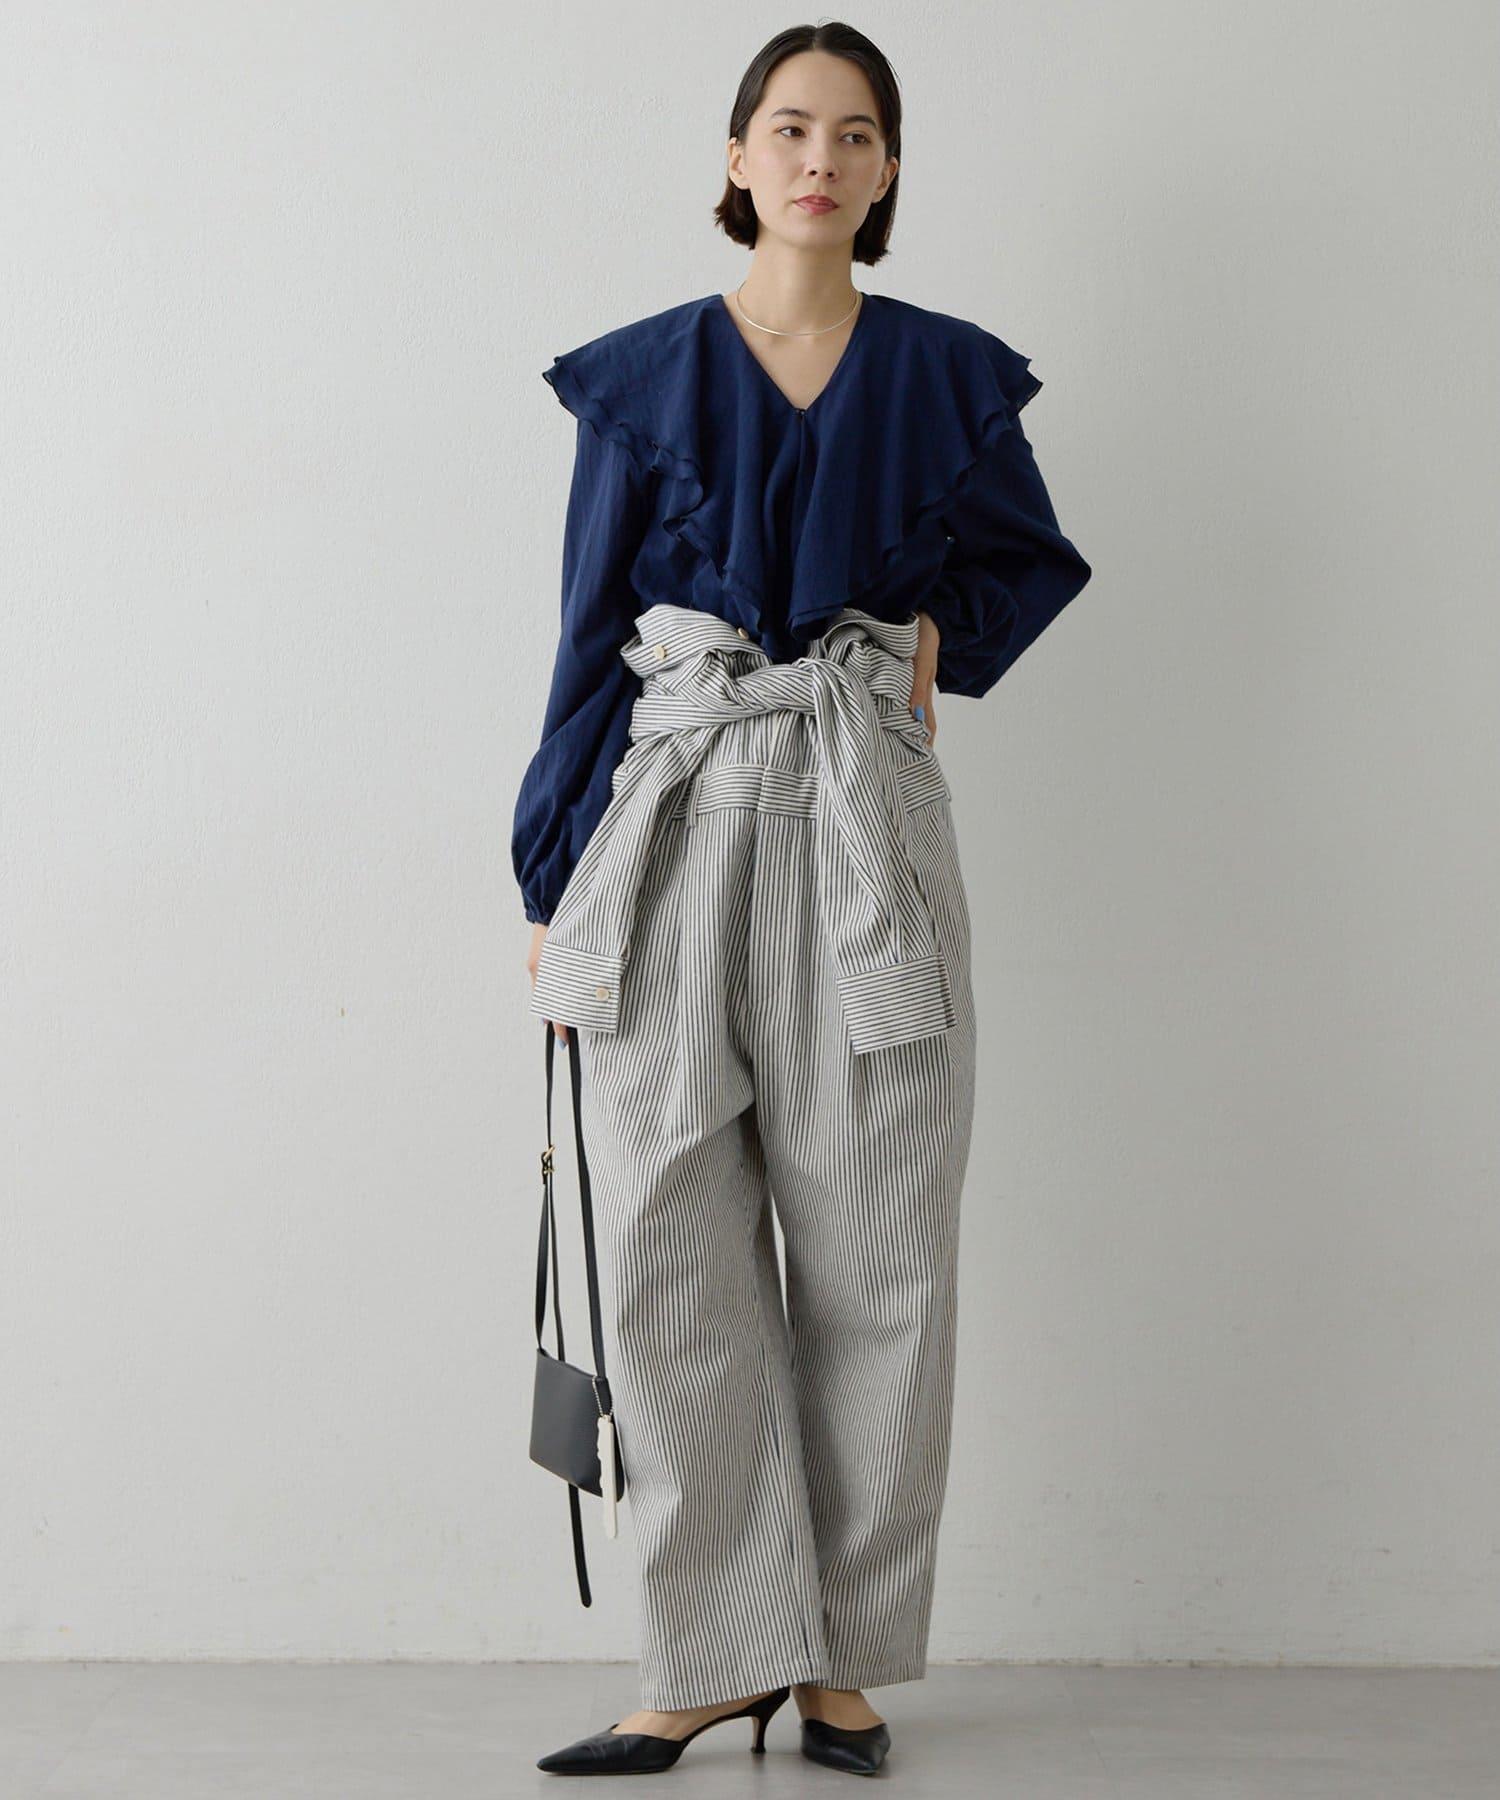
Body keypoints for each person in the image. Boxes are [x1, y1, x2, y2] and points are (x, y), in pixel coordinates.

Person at [513, 21, 1091, 1779]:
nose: (819, 159)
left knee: (880, 1248)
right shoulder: (643, 376)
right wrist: (551, 870)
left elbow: (1025, 564)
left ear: (889, 167)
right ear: (737, 156)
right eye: (788, 128)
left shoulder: (947, 373)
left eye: (853, 133)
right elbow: (585, 633)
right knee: (667, 1245)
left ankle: (837, 1660)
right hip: (674, 823)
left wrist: (925, 646)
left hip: (865, 827)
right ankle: (706, 1660)